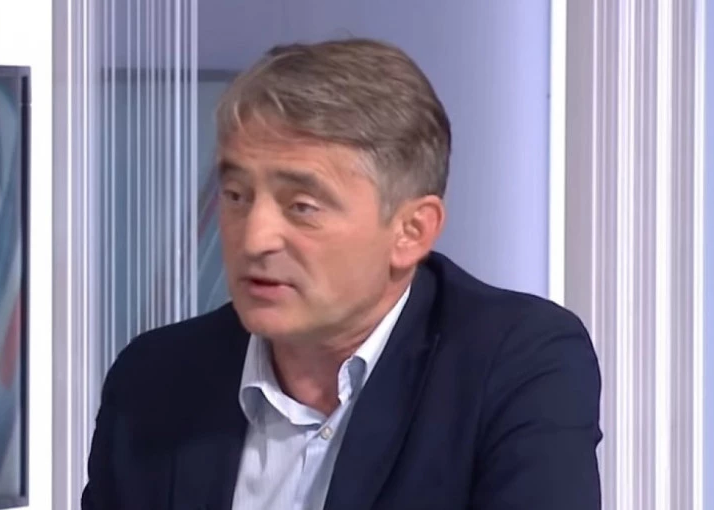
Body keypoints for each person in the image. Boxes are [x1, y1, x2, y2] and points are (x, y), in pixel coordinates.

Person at [81, 38, 602, 510]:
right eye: (237, 196)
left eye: (302, 206)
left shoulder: (513, 362)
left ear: (411, 232)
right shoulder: (155, 379)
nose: (253, 239)